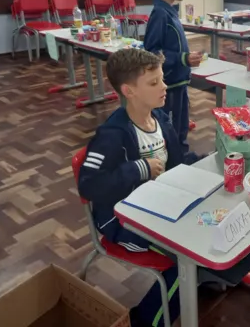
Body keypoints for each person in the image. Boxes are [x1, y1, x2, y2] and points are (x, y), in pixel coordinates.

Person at [78, 48, 191, 327]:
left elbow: (178, 162)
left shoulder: (161, 118)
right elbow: (88, 185)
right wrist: (138, 168)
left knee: (203, 233)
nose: (164, 87)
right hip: (121, 221)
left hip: (157, 206)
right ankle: (143, 321)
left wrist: (213, 164)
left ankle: (201, 281)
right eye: (154, 83)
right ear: (129, 91)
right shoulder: (113, 134)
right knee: (186, 263)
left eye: (162, 79)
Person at [144, 0, 202, 156]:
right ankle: (175, 166)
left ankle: (182, 158)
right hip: (168, 87)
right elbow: (152, 53)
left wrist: (186, 57)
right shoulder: (160, 14)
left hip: (179, 83)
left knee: (180, 126)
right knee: (170, 131)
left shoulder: (170, 12)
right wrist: (182, 58)